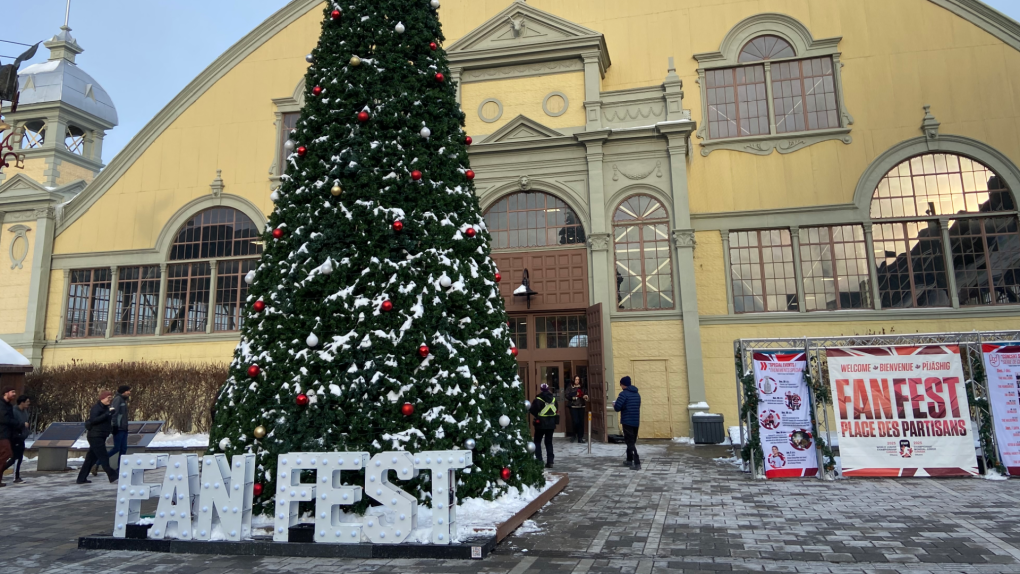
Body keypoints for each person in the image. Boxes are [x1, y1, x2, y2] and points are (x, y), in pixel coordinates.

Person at [77, 390, 118, 484]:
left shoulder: (106, 408)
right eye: (108, 398)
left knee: (90, 459)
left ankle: (81, 478)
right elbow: (94, 420)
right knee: (103, 457)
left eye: (111, 398)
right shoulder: (96, 408)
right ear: (102, 398)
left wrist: (111, 428)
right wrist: (107, 414)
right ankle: (112, 475)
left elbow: (105, 422)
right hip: (95, 436)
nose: (110, 400)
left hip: (100, 436)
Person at [613, 376, 642, 470]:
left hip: (627, 421)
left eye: (620, 384)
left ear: (623, 384)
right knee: (632, 441)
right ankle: (629, 459)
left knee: (630, 442)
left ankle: (637, 462)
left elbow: (618, 408)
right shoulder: (637, 394)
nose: (620, 386)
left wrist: (615, 404)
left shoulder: (623, 394)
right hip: (635, 421)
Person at [0, 395, 30, 483]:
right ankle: (15, 476)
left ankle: (7, 472)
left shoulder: (25, 412)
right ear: (22, 402)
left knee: (17, 457)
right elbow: (13, 423)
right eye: (27, 402)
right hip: (15, 437)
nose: (28, 403)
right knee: (15, 457)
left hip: (22, 437)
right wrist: (21, 426)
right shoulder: (14, 411)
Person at [529, 383, 558, 469]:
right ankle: (550, 461)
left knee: (537, 442)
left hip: (540, 424)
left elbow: (533, 410)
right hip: (551, 424)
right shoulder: (553, 399)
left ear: (541, 389)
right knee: (549, 442)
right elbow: (556, 409)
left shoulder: (538, 399)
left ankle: (539, 461)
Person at [107, 385, 132, 465]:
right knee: (116, 448)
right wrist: (114, 425)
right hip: (119, 428)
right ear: (123, 391)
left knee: (123, 449)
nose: (129, 392)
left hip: (124, 428)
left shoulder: (123, 400)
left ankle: (120, 468)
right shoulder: (118, 399)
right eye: (128, 391)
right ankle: (98, 463)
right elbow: (114, 413)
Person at [0, 386, 18, 487]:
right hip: (2, 434)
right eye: (12, 392)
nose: (14, 394)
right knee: (7, 454)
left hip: (6, 434)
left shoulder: (8, 405)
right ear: (6, 393)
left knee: (4, 456)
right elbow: (4, 419)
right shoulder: (2, 405)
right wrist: (18, 423)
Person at [568, 376, 588, 443]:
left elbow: (586, 394)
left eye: (578, 379)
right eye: (576, 379)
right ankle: (574, 435)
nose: (577, 381)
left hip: (581, 406)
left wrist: (585, 396)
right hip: (573, 406)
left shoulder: (582, 387)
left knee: (581, 422)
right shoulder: (570, 387)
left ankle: (580, 437)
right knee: (575, 421)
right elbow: (567, 395)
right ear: (573, 380)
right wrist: (573, 397)